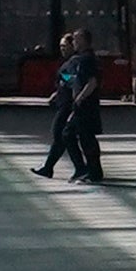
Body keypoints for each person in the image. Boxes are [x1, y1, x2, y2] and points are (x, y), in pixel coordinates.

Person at [39, 42, 108, 183]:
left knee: (68, 135)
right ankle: (86, 170)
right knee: (76, 136)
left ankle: (82, 169)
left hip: (74, 104)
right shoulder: (75, 61)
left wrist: (79, 96)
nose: (62, 48)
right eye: (61, 46)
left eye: (65, 45)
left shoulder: (82, 61)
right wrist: (61, 88)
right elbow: (72, 80)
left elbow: (87, 81)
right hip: (72, 102)